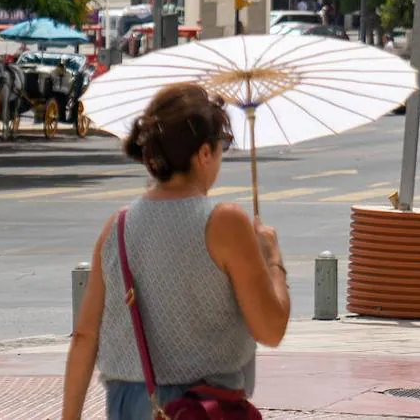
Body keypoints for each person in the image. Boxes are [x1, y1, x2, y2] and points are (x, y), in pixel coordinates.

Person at [61, 84, 291, 420]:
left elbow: (85, 336)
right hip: (203, 408)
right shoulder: (224, 222)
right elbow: (271, 329)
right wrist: (273, 261)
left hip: (129, 404)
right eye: (222, 145)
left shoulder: (117, 226)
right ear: (204, 154)